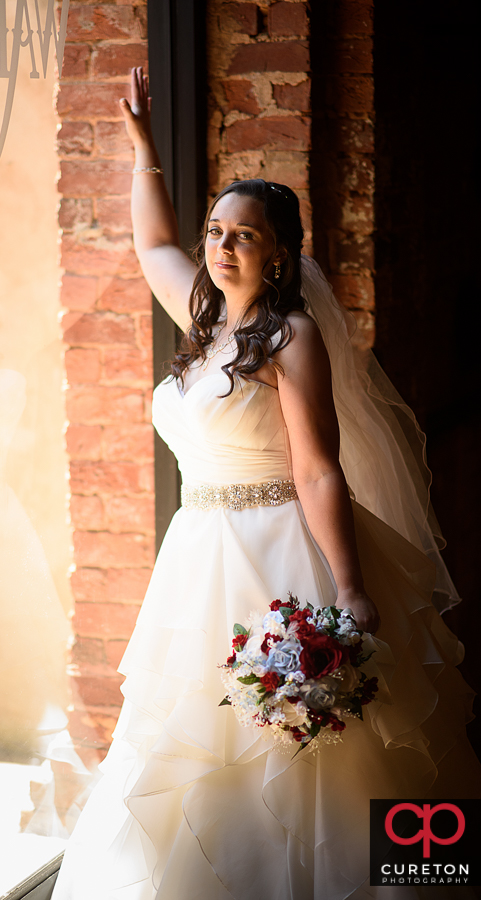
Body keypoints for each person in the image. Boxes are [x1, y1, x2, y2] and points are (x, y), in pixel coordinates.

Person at [52, 68, 481, 900]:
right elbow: (150, 246)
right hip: (199, 557)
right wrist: (144, 148)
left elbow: (319, 465)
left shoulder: (290, 338)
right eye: (215, 231)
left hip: (281, 550)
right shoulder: (201, 318)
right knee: (200, 746)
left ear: (278, 251)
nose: (219, 247)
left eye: (241, 235)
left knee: (326, 746)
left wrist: (351, 589)